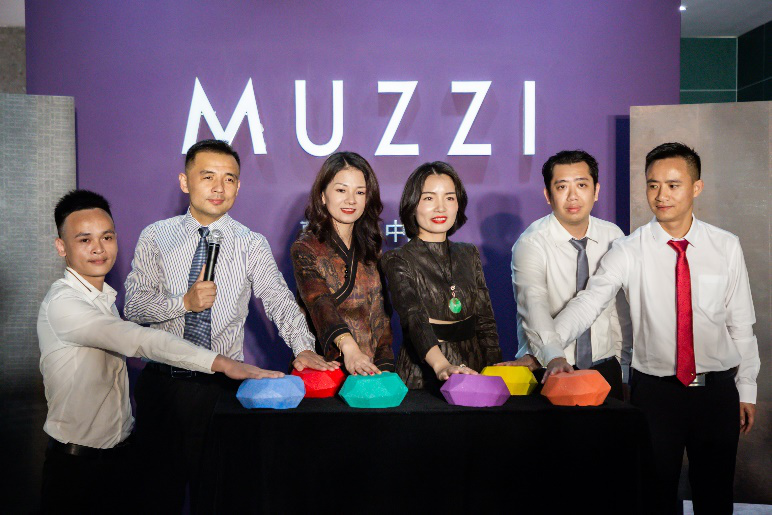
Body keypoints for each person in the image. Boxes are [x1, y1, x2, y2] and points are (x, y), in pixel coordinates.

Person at [542, 143, 759, 513]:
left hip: (717, 393)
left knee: (716, 498)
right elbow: (589, 302)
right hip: (656, 395)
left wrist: (747, 388)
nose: (661, 195)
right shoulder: (629, 249)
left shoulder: (726, 246)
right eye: (653, 185)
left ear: (696, 187)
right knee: (653, 498)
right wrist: (550, 348)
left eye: (673, 185)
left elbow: (741, 324)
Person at [123, 139, 335, 511]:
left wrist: (302, 347)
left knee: (220, 499)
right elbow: (134, 306)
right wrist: (183, 303)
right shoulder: (155, 236)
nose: (219, 187)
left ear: (238, 186)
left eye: (229, 179)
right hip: (164, 386)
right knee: (156, 498)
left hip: (220, 390)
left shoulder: (250, 243)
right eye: (208, 176)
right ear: (185, 182)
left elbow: (279, 299)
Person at [38, 190, 278, 514]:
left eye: (107, 237)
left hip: (120, 462)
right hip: (76, 470)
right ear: (61, 246)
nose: (98, 248)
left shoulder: (103, 300)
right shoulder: (64, 304)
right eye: (84, 240)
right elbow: (141, 339)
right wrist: (221, 362)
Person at [505, 150, 632, 399]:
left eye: (582, 185)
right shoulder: (531, 243)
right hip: (548, 367)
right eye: (562, 186)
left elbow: (620, 312)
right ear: (548, 195)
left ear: (596, 191)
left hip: (605, 367)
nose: (573, 196)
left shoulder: (614, 236)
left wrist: (623, 366)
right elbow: (533, 303)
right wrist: (553, 356)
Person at [382, 161, 502, 389]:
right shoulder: (398, 258)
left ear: (458, 204)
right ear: (412, 204)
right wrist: (441, 365)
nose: (441, 208)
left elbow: (485, 321)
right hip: (423, 375)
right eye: (429, 198)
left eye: (449, 198)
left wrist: (495, 371)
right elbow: (413, 316)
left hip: (474, 369)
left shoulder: (468, 253)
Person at [291, 152, 394, 375]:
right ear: (322, 196)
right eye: (341, 190)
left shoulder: (371, 247)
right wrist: (350, 350)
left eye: (360, 192)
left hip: (369, 370)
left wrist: (385, 367)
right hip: (326, 368)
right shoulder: (306, 247)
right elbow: (319, 302)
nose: (351, 200)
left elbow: (381, 317)